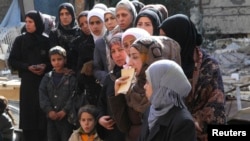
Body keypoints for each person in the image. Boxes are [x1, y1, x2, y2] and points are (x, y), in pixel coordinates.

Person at [159, 14, 226, 141]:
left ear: (179, 37)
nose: (163, 43)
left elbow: (216, 105)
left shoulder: (208, 66)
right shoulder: (165, 65)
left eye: (166, 38)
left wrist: (188, 123)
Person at [109, 36, 181, 141]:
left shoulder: (169, 90)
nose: (129, 63)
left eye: (135, 57)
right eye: (129, 56)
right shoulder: (133, 84)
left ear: (151, 58)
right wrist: (118, 94)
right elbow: (124, 127)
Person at [8, 10, 51, 141]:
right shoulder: (20, 40)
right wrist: (27, 67)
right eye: (26, 22)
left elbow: (54, 60)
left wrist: (45, 66)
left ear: (38, 23)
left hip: (43, 83)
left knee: (42, 116)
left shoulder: (46, 40)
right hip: (27, 83)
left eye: (30, 22)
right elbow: (12, 61)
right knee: (29, 117)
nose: (27, 24)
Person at [139, 59, 196, 141]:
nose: (144, 86)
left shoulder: (183, 123)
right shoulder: (151, 111)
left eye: (148, 82)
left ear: (161, 87)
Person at [39, 46, 76, 141]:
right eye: (53, 60)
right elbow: (42, 94)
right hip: (51, 118)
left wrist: (65, 110)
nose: (56, 62)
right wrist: (49, 110)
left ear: (65, 60)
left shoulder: (71, 77)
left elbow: (74, 95)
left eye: (59, 59)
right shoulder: (47, 77)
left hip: (67, 118)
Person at [96, 33, 126, 141]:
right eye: (113, 51)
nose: (117, 55)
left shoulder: (136, 76)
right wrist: (100, 118)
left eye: (121, 49)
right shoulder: (110, 77)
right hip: (112, 132)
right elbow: (101, 103)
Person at [75, 10, 102, 106]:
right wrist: (86, 71)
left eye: (87, 22)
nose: (85, 26)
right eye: (81, 24)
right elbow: (79, 73)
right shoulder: (83, 46)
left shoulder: (111, 41)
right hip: (93, 91)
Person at [49, 2, 81, 73]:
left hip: (78, 70)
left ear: (72, 15)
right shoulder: (54, 33)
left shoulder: (80, 32)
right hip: (60, 71)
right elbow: (54, 53)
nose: (64, 17)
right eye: (61, 14)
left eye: (67, 13)